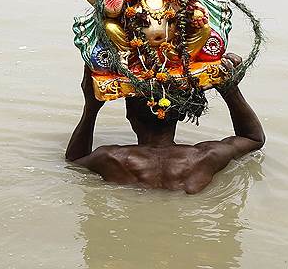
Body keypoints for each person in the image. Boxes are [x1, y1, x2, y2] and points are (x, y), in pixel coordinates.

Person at [65, 54, 264, 194]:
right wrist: (229, 89)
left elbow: (74, 161)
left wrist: (91, 108)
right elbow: (253, 138)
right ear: (180, 115)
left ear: (129, 115)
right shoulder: (206, 157)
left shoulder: (111, 158)